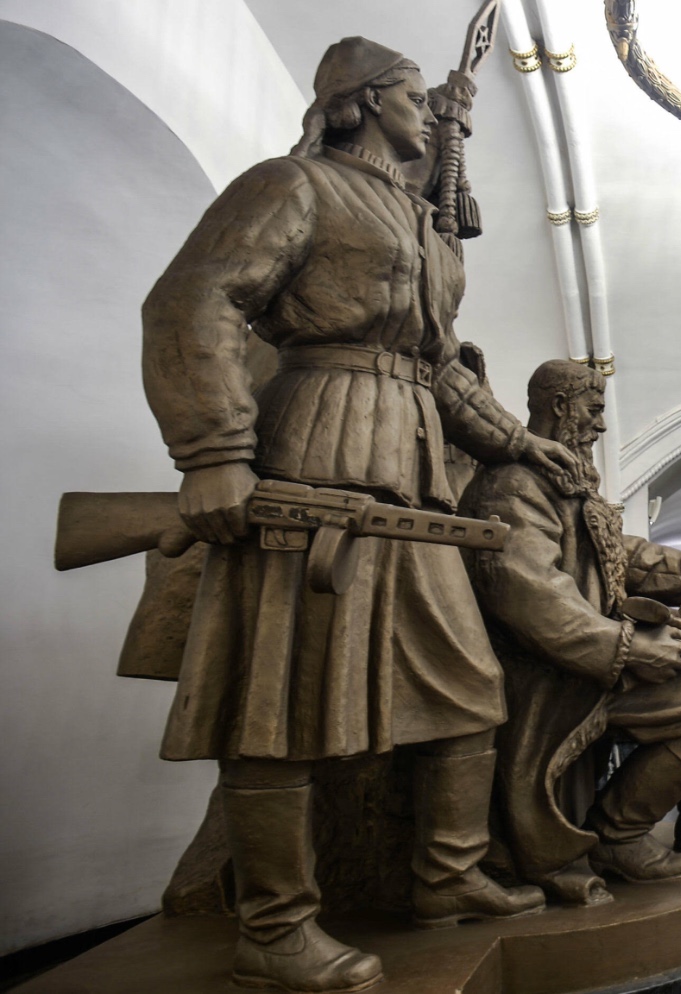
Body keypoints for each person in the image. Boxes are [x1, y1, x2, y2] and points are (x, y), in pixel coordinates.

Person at [140, 38, 573, 990]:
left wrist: (515, 442)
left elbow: (434, 365)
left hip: (412, 477)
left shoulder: (415, 220)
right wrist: (213, 452)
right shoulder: (293, 184)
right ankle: (275, 926)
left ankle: (448, 877)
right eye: (415, 96)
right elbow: (193, 299)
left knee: (468, 688)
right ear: (366, 101)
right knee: (279, 704)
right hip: (315, 450)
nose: (429, 113)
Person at [461, 361, 681, 892]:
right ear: (560, 406)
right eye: (594, 410)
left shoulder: (562, 480)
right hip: (550, 677)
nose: (600, 424)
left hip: (583, 661)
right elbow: (529, 596)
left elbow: (626, 555)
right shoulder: (512, 484)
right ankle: (618, 835)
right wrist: (626, 647)